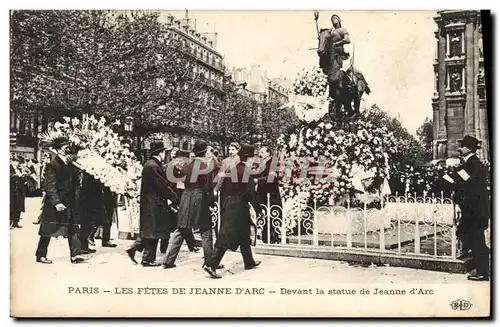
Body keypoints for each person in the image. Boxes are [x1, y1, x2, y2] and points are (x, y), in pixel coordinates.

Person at [204, 144, 262, 279]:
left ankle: (249, 262)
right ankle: (211, 265)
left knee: (244, 234)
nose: (255, 159)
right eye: (254, 157)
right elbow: (251, 193)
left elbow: (223, 187)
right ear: (249, 157)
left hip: (229, 205)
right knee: (226, 236)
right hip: (238, 207)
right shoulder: (245, 171)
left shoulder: (234, 169)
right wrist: (258, 210)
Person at [35, 136, 90, 264]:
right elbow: (50, 185)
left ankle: (75, 254)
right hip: (56, 202)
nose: (69, 148)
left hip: (69, 201)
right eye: (66, 146)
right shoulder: (53, 164)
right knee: (48, 229)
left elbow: (75, 180)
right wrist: (56, 202)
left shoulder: (72, 162)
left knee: (73, 227)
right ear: (59, 149)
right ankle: (41, 254)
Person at [162, 139, 216, 269]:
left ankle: (168, 261)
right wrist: (211, 202)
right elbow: (208, 188)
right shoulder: (206, 167)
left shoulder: (186, 166)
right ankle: (210, 262)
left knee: (181, 228)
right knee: (206, 230)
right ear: (204, 152)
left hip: (186, 197)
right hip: (199, 198)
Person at [444, 135, 490, 281]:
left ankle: (483, 272)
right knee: (466, 234)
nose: (459, 148)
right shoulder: (470, 164)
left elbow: (466, 184)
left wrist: (451, 180)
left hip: (474, 210)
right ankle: (481, 266)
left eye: (462, 146)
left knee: (477, 241)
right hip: (472, 209)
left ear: (469, 148)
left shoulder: (473, 165)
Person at [126, 141, 179, 267]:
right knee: (153, 231)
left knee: (152, 231)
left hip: (151, 203)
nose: (164, 155)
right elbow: (162, 185)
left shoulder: (151, 164)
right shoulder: (153, 166)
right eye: (164, 152)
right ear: (160, 153)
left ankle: (138, 252)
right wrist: (175, 198)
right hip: (154, 203)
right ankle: (146, 258)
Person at [254, 146, 282, 244]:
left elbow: (272, 178)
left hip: (271, 194)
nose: (260, 154)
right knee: (264, 215)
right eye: (259, 152)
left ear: (268, 153)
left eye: (262, 152)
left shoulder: (273, 163)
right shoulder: (261, 164)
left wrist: (258, 180)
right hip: (262, 194)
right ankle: (266, 237)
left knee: (272, 216)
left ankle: (272, 237)